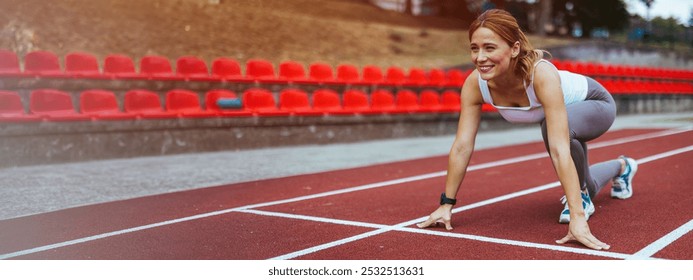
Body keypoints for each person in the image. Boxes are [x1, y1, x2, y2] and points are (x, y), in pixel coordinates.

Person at [416, 9, 638, 250]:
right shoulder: (475, 84)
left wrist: (577, 217)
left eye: (490, 48)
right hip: (566, 121)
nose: (480, 57)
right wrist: (446, 204)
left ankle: (581, 200)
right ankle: (623, 167)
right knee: (588, 182)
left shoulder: (540, 75)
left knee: (555, 133)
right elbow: (462, 146)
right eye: (474, 48)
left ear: (514, 49)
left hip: (596, 104)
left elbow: (558, 147)